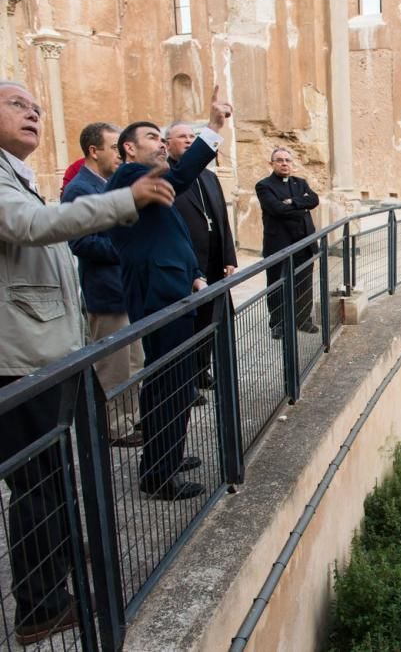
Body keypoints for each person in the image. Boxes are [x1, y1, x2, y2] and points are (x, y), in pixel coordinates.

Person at [0, 80, 174, 644]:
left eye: (37, 107)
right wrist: (125, 201)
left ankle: (55, 590)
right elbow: (32, 228)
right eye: (17, 104)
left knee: (49, 482)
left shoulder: (17, 176)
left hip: (42, 354)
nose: (33, 113)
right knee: (36, 487)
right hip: (20, 360)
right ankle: (41, 605)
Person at [106, 85, 233, 502]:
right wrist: (212, 128)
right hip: (159, 297)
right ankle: (159, 473)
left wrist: (196, 275)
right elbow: (178, 176)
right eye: (152, 138)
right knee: (170, 384)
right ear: (128, 149)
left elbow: (175, 236)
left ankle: (167, 457)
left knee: (176, 383)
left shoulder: (154, 190)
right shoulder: (129, 177)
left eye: (163, 139)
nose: (161, 144)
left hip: (176, 292)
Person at [65, 122, 145, 448]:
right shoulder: (79, 189)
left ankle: (132, 418)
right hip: (106, 291)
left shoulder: (109, 183)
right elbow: (82, 242)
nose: (120, 153)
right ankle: (116, 428)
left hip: (126, 289)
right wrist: (127, 249)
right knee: (114, 365)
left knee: (134, 360)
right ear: (93, 151)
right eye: (114, 147)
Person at [164, 122, 237, 390]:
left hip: (216, 261)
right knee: (191, 324)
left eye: (192, 137)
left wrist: (229, 256)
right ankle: (189, 381)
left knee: (213, 319)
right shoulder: (167, 176)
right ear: (167, 143)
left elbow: (221, 219)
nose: (188, 140)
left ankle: (203, 370)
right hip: (189, 265)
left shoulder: (209, 176)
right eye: (181, 136)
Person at [255, 148, 320, 339]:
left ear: (292, 164)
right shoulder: (264, 186)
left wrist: (290, 202)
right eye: (280, 160)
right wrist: (302, 205)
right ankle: (278, 323)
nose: (284, 164)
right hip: (279, 245)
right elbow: (276, 209)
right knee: (277, 284)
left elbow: (314, 200)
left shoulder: (300, 183)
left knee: (304, 282)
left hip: (304, 242)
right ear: (272, 164)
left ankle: (303, 320)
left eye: (288, 160)